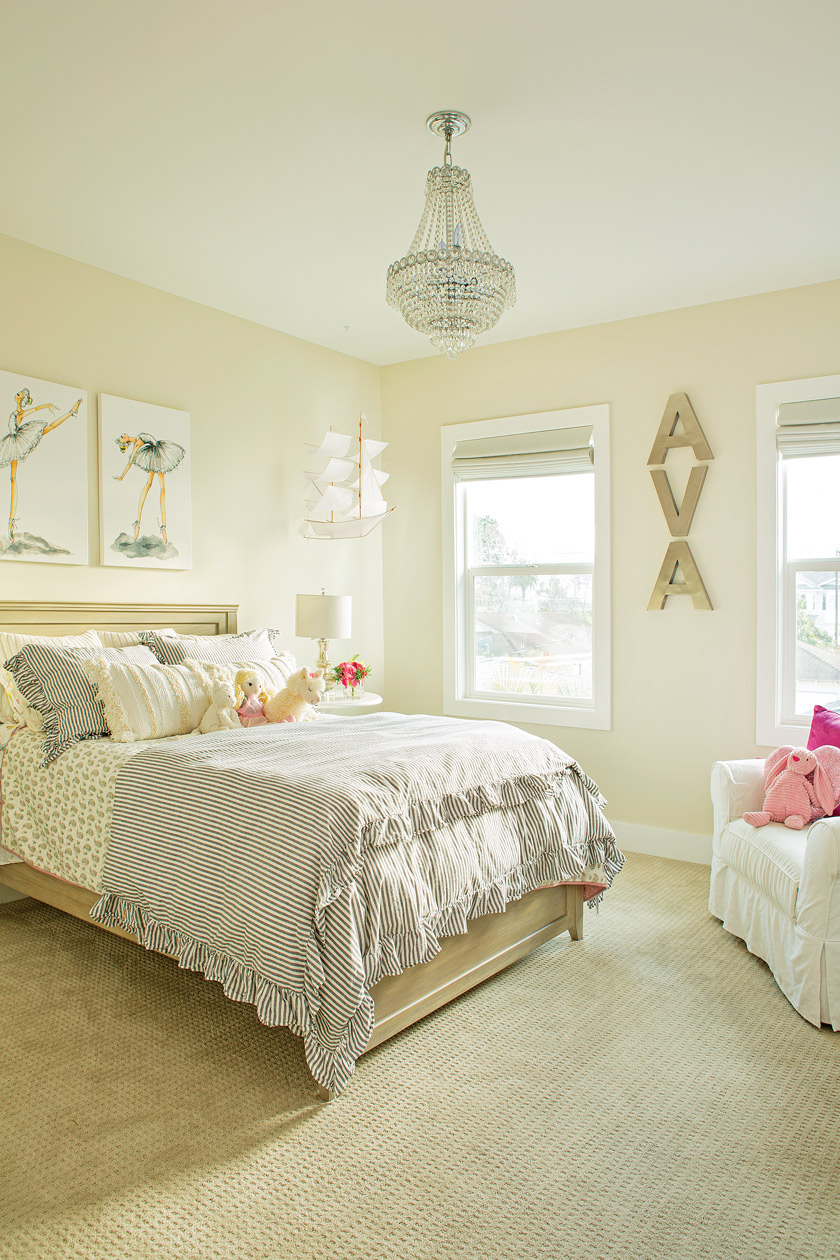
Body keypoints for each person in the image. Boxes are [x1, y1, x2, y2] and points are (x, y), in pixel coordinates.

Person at [0, 388, 83, 541]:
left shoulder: (20, 412)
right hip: (13, 441)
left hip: (18, 440)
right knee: (12, 478)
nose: (16, 394)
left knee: (48, 428)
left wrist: (46, 405)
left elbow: (35, 409)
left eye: (19, 394)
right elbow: (36, 408)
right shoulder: (17, 411)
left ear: (22, 399)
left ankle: (71, 412)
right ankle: (10, 522)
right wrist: (46, 405)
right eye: (17, 393)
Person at [113, 432, 186, 542]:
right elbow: (130, 462)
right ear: (125, 443)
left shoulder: (137, 439)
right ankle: (148, 525)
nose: (122, 436)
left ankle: (151, 526)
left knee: (153, 485)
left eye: (121, 436)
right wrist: (122, 476)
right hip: (155, 456)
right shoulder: (137, 444)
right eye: (121, 439)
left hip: (155, 453)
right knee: (156, 486)